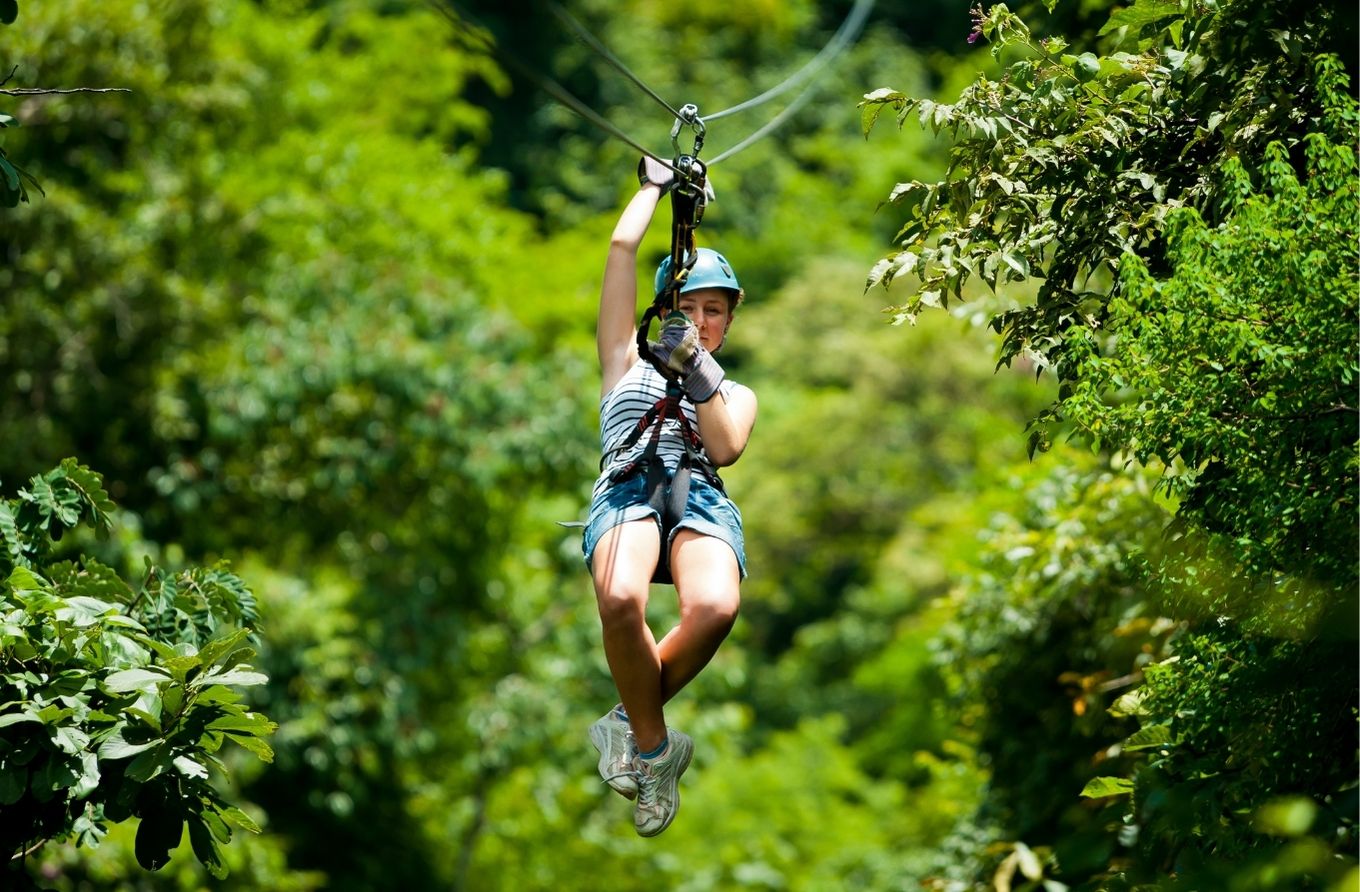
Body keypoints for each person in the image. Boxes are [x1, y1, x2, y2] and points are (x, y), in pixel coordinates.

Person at [582, 157, 758, 837]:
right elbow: (622, 249)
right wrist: (654, 189)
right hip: (629, 486)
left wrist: (697, 369)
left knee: (715, 605)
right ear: (663, 311)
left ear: (728, 324)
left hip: (698, 496)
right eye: (687, 308)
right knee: (622, 600)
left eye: (714, 311)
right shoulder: (622, 359)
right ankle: (656, 751)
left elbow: (725, 447)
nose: (700, 319)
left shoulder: (734, 391)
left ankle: (629, 720)